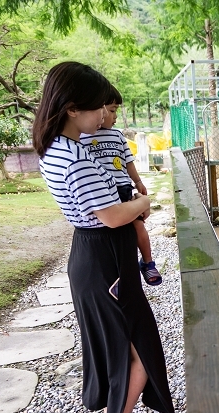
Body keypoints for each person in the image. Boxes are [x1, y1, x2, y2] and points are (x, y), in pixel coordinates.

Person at [32, 61, 176, 413]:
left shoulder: (61, 149)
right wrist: (144, 202)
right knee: (136, 349)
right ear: (73, 108)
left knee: (125, 346)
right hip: (103, 259)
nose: (105, 115)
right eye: (99, 108)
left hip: (97, 255)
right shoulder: (75, 156)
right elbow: (113, 215)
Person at [80, 86, 162, 286]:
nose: (114, 116)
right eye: (112, 110)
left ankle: (148, 262)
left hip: (123, 189)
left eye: (116, 110)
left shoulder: (117, 136)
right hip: (103, 193)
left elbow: (128, 163)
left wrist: (138, 182)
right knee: (116, 232)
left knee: (138, 227)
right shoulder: (82, 139)